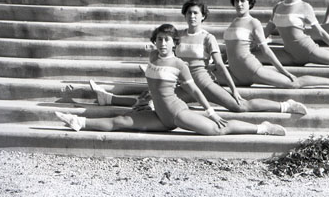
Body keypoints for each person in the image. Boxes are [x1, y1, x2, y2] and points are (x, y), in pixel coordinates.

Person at [55, 24, 286, 136]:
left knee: (217, 130)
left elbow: (195, 91)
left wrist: (211, 112)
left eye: (167, 40)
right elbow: (154, 83)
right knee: (120, 121)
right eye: (159, 39)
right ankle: (78, 121)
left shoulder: (179, 64)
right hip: (160, 116)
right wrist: (144, 99)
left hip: (177, 113)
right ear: (154, 41)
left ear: (174, 43)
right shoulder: (152, 57)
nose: (163, 43)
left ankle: (261, 128)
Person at [88, 0, 307, 115]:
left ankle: (284, 106)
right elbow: (166, 57)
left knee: (240, 107)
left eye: (196, 13)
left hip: (203, 83)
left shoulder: (208, 38)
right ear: (184, 16)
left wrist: (233, 90)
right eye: (189, 13)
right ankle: (108, 98)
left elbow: (220, 65)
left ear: (203, 17)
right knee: (154, 102)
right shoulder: (177, 36)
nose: (192, 16)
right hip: (184, 84)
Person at [221, 0, 329, 89]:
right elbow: (230, 49)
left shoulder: (253, 22)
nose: (239, 4)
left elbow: (267, 51)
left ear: (249, 3)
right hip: (236, 73)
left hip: (253, 69)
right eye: (236, 1)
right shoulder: (233, 23)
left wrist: (284, 71)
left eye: (243, 1)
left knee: (294, 83)